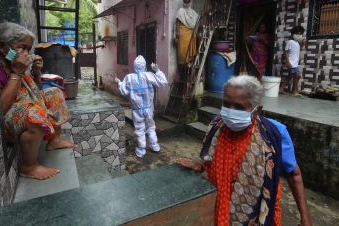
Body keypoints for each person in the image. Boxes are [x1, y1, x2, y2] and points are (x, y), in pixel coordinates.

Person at [176, 75, 312, 226]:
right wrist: (201, 164)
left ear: (257, 109)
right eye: (226, 104)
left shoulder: (274, 134)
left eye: (239, 107)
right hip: (215, 206)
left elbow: (294, 175)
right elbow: (210, 152)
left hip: (256, 214)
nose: (230, 111)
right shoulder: (217, 125)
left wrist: (305, 217)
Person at [0, 22, 75, 180]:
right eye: (22, 47)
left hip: (26, 106)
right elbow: (1, 109)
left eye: (28, 49)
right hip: (10, 118)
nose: (26, 53)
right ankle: (29, 166)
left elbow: (36, 92)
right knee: (35, 112)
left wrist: (37, 72)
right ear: (3, 47)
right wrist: (17, 72)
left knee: (54, 92)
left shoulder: (14, 63)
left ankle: (54, 140)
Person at [115, 55, 168, 158]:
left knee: (139, 129)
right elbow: (163, 82)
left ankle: (141, 150)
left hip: (137, 111)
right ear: (144, 66)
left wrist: (119, 83)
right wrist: (157, 71)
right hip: (148, 109)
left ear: (135, 67)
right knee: (150, 127)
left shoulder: (129, 78)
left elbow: (123, 91)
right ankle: (155, 146)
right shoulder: (149, 75)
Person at [174, 0, 199, 79]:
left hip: (190, 33)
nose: (186, 3)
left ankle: (189, 66)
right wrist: (177, 34)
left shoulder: (193, 12)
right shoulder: (180, 11)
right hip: (182, 34)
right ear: (183, 2)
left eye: (188, 2)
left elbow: (196, 20)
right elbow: (177, 22)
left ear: (190, 2)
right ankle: (182, 71)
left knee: (190, 53)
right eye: (185, 2)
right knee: (182, 53)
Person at [279, 25, 305, 97]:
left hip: (295, 63)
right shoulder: (290, 42)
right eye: (297, 33)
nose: (299, 35)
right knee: (298, 75)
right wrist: (288, 62)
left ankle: (281, 89)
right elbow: (286, 52)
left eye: (300, 34)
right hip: (291, 63)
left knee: (290, 76)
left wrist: (302, 44)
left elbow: (298, 50)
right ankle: (294, 91)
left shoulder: (297, 43)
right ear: (293, 34)